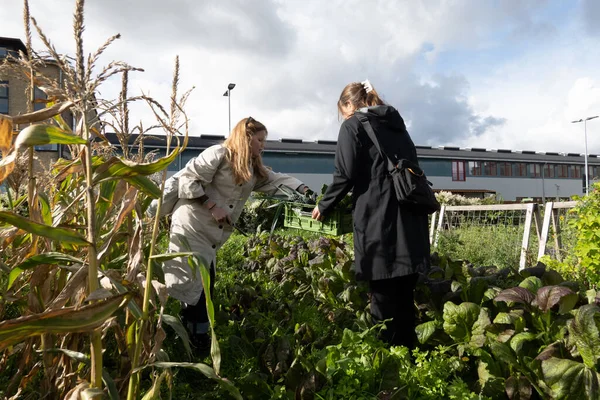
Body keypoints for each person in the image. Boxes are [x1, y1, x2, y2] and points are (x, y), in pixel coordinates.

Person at [164, 116, 313, 350]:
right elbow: (188, 180)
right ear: (246, 138)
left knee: (202, 284)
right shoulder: (218, 154)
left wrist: (303, 189)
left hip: (210, 234)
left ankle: (188, 334)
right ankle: (197, 343)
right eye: (260, 139)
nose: (264, 145)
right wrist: (212, 206)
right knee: (197, 286)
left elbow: (276, 180)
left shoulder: (251, 169)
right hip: (192, 225)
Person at [312, 80, 430, 348]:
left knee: (383, 301)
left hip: (379, 222)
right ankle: (411, 359)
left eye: (342, 111)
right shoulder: (398, 127)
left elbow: (345, 175)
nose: (343, 116)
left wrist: (324, 204)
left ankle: (387, 369)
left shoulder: (352, 125)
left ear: (349, 105)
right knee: (404, 300)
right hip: (410, 219)